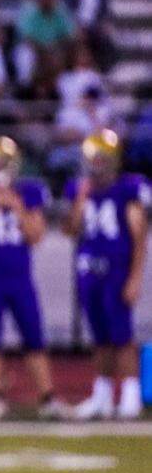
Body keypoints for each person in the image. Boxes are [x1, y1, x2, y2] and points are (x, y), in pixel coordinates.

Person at [0, 137, 69, 420]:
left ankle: (47, 397)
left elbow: (36, 236)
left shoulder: (29, 192)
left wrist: (18, 207)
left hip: (20, 276)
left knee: (34, 337)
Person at [64, 130, 149, 420]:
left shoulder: (130, 188)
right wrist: (82, 198)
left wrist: (135, 278)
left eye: (102, 159)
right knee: (99, 337)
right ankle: (101, 395)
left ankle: (130, 394)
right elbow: (71, 230)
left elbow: (139, 237)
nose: (97, 165)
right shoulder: (80, 189)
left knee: (122, 335)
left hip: (117, 269)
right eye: (94, 160)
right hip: (89, 269)